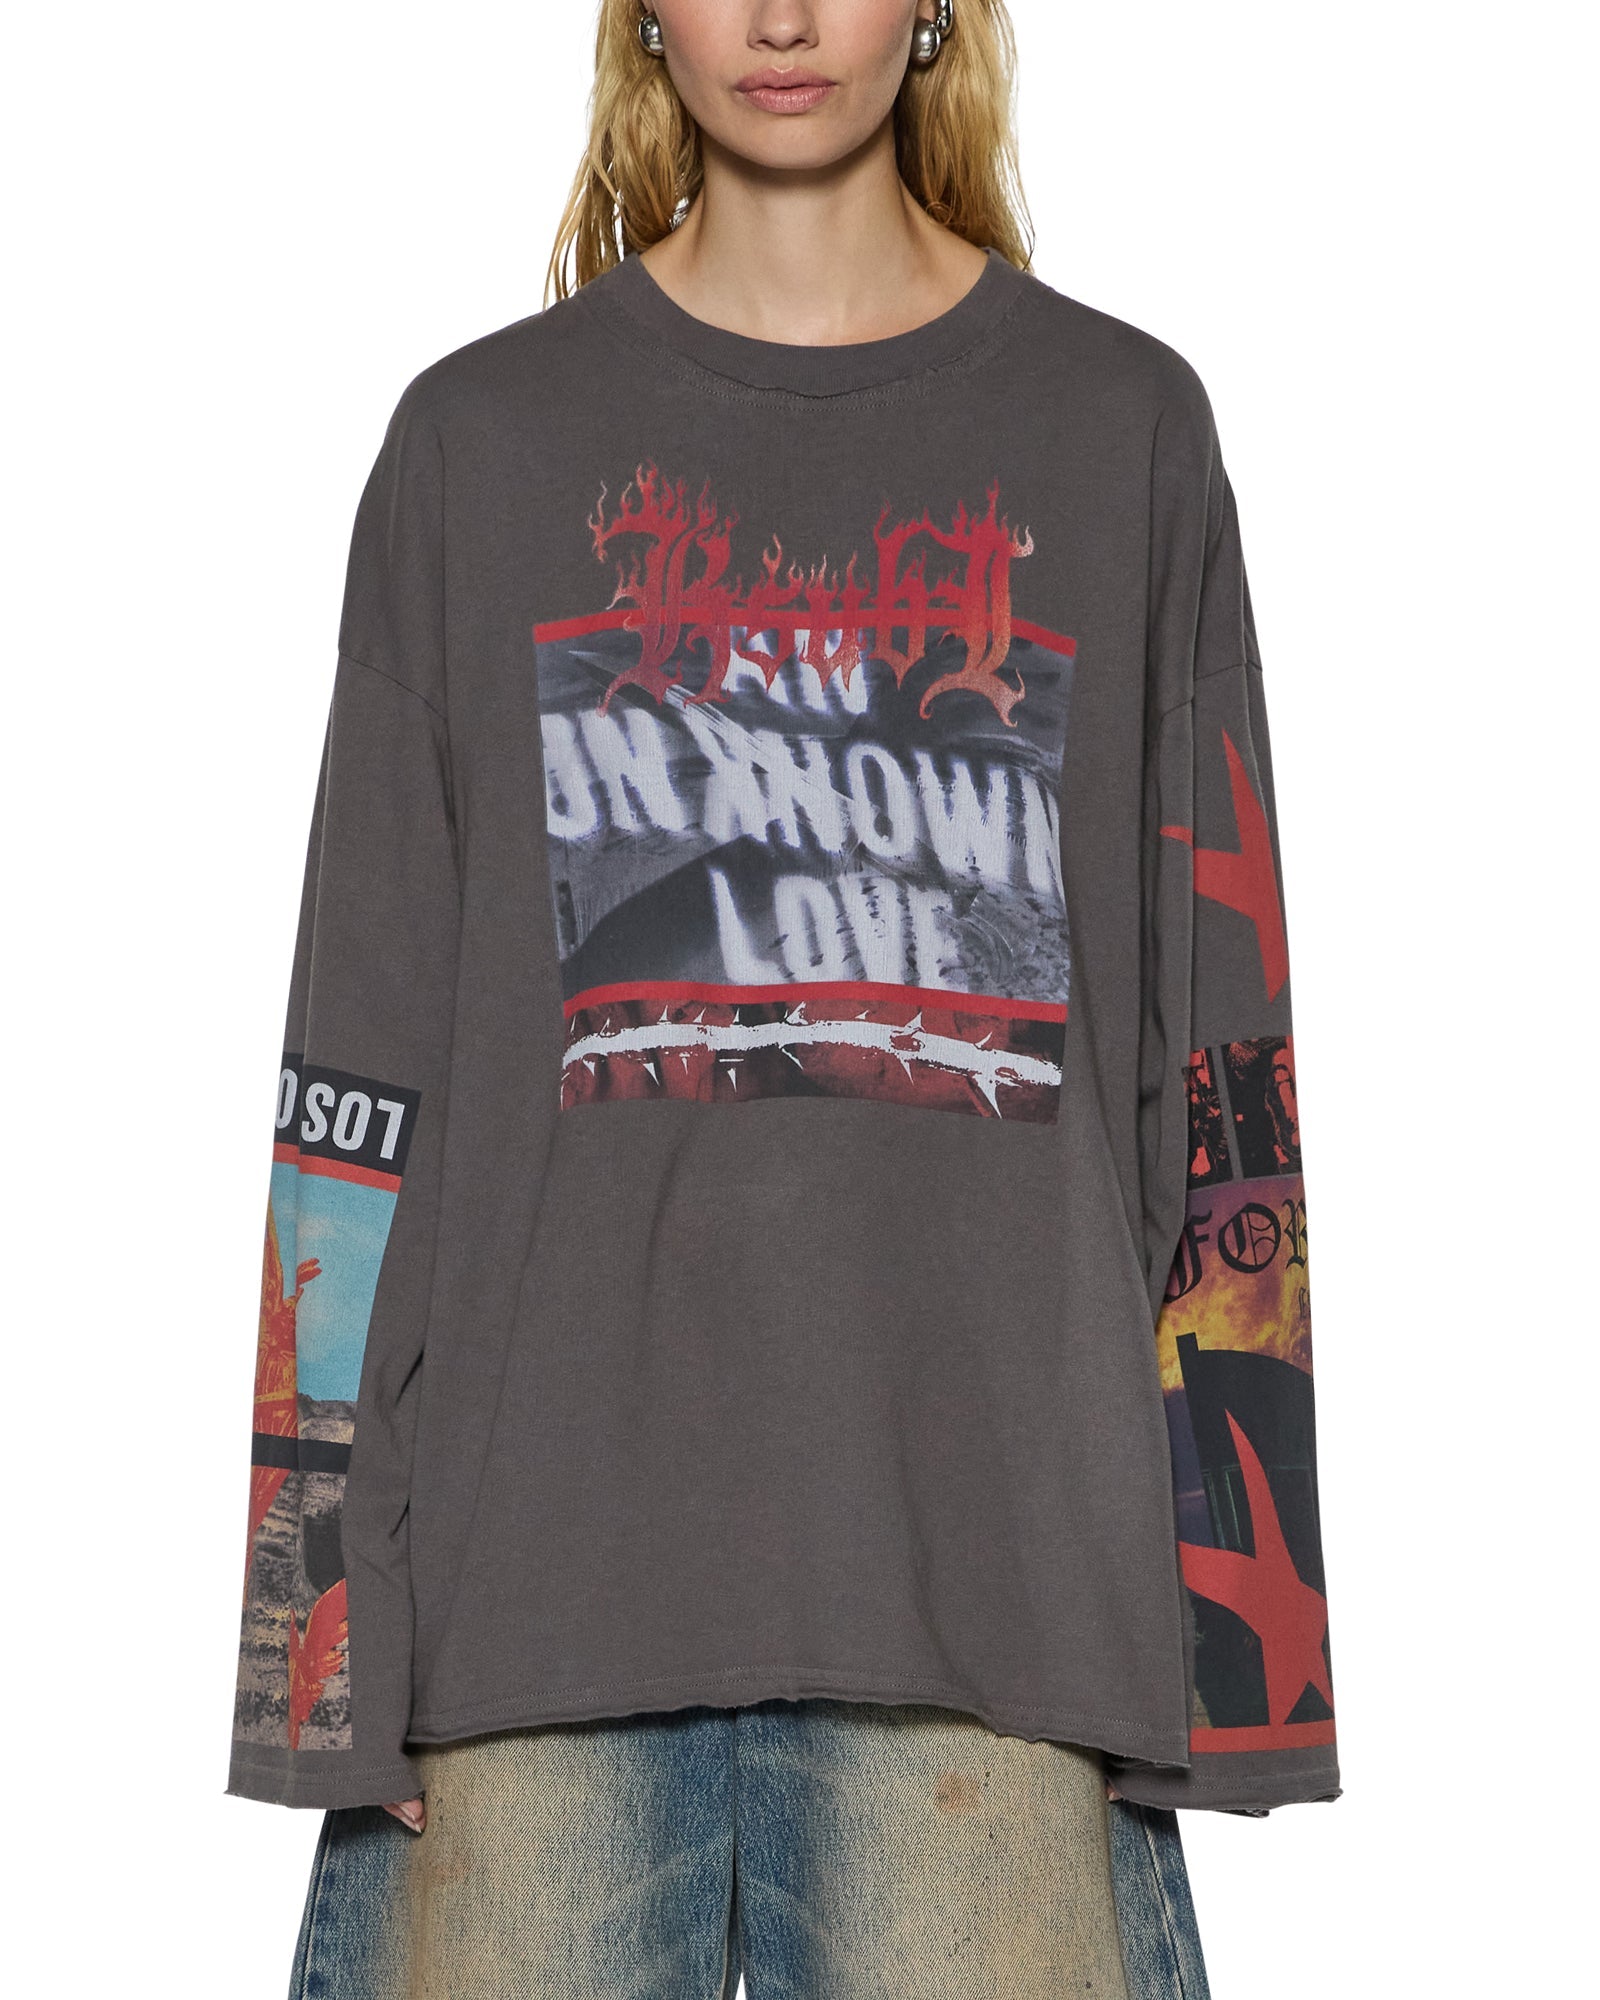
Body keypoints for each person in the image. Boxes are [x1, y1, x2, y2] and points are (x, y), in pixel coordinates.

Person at [226, 3, 1338, 1993]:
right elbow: (358, 1073)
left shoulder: (1120, 433)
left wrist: (1245, 1669)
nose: (784, 16)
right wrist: (310, 1650)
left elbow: (1217, 1054)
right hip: (526, 1622)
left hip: (998, 1625)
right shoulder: (480, 449)